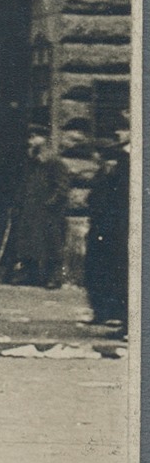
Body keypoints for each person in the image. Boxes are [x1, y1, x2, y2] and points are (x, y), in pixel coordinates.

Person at [5, 125, 68, 288]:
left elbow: (61, 188)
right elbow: (24, 185)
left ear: (44, 139)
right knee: (28, 245)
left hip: (48, 213)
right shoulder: (31, 163)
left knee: (52, 245)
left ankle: (53, 277)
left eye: (34, 137)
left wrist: (49, 205)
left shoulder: (55, 163)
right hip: (30, 211)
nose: (30, 141)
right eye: (30, 138)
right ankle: (30, 275)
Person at [83, 134, 129, 334]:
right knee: (98, 272)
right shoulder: (108, 173)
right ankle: (103, 312)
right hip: (102, 229)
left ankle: (112, 314)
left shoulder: (116, 174)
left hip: (111, 231)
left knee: (109, 273)